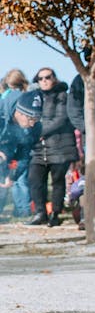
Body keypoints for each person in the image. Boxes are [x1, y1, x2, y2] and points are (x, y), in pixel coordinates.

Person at [27, 68, 78, 227]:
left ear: (54, 78)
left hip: (60, 145)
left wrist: (40, 130)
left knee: (57, 181)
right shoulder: (34, 98)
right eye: (40, 78)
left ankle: (55, 213)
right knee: (35, 180)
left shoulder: (63, 96)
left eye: (47, 77)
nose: (44, 81)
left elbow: (61, 119)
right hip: (39, 148)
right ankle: (40, 212)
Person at [0, 91, 42, 200]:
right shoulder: (1, 112)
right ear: (19, 112)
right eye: (30, 118)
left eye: (36, 120)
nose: (32, 123)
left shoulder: (34, 128)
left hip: (5, 158)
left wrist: (12, 175)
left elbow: (24, 155)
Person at [0, 69, 31, 217]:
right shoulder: (27, 96)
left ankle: (17, 209)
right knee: (21, 177)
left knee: (6, 175)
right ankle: (23, 210)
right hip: (24, 140)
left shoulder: (5, 97)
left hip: (8, 141)